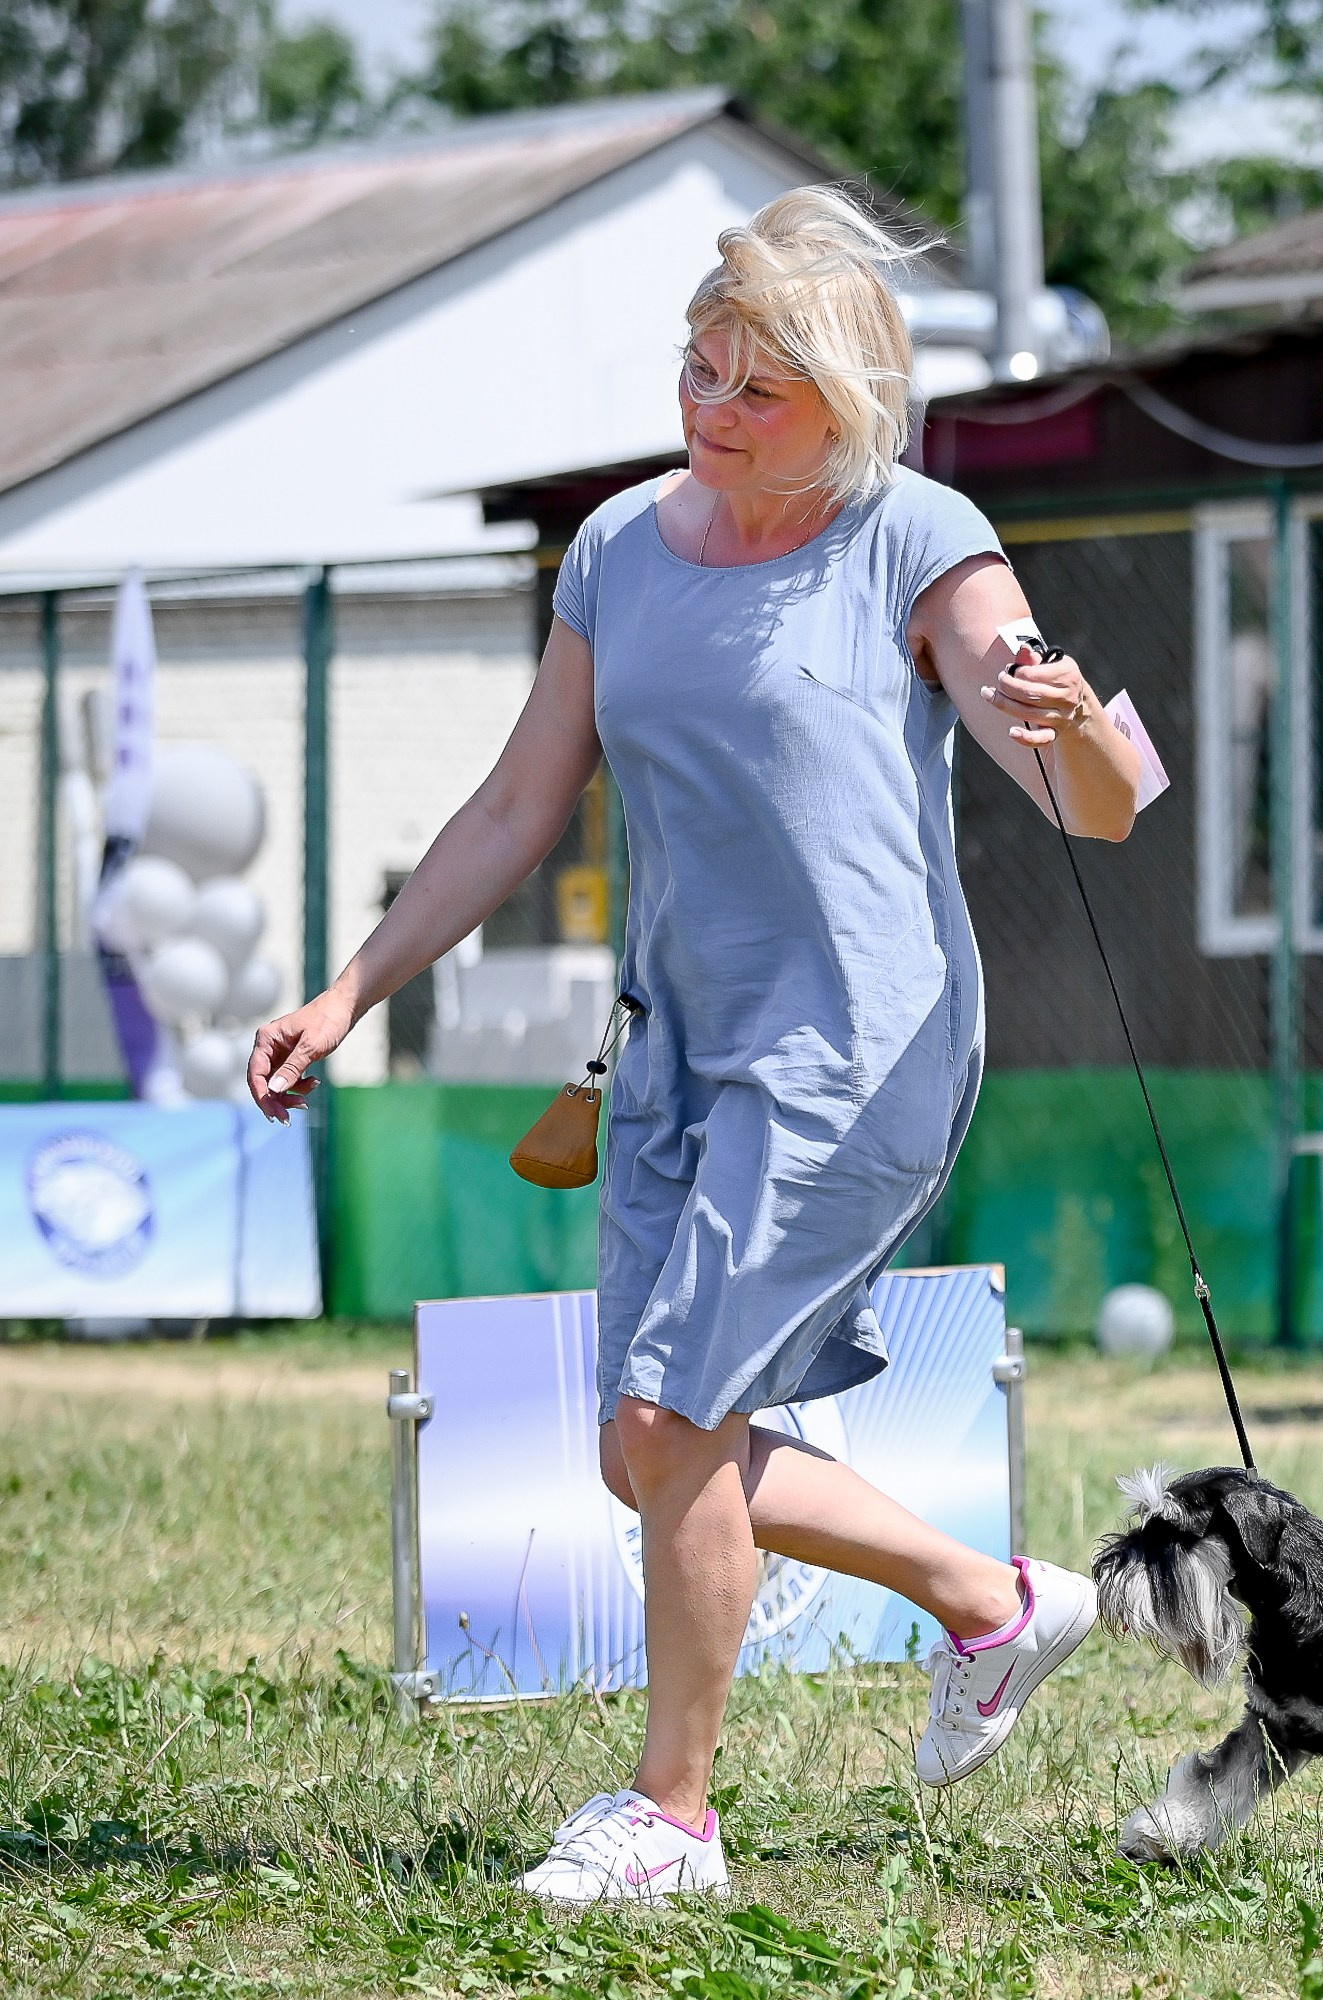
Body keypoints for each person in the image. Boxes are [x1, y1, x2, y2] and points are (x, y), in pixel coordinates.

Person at [247, 187, 1141, 1905]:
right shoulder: (617, 553)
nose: (711, 410)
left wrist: (1079, 730)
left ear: (846, 399)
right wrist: (353, 987)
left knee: (677, 1414)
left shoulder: (919, 536)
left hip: (857, 1047)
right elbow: (517, 804)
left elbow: (1084, 804)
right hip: (665, 1049)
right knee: (642, 1452)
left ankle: (672, 1816)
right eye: (698, 369)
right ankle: (993, 1601)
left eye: (757, 389)